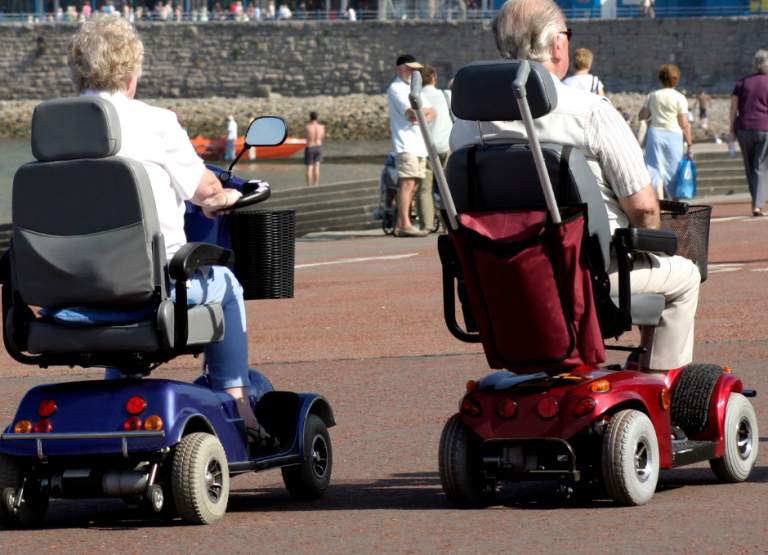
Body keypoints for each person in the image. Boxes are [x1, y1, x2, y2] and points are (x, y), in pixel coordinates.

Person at [451, 0, 700, 383]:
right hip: (589, 273)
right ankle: (659, 389)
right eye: (566, 35)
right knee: (683, 274)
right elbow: (645, 210)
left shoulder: (466, 127)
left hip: (500, 276)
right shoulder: (590, 112)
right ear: (556, 46)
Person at [66, 14, 269, 443]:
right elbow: (206, 192)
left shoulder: (53, 131)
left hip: (70, 293)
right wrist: (227, 199)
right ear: (130, 75)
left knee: (115, 285)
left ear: (78, 74)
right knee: (227, 284)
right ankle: (237, 403)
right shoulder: (155, 122)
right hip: (152, 291)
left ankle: (113, 400)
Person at [386, 54, 435, 237]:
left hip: (418, 143)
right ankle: (405, 224)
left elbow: (431, 113)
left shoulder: (413, 88)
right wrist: (421, 115)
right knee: (407, 184)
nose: (414, 72)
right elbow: (413, 111)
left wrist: (421, 116)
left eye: (416, 69)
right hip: (405, 143)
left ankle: (400, 225)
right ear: (400, 69)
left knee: (413, 185)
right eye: (410, 69)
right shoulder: (396, 88)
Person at [638, 64, 693, 199]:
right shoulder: (680, 98)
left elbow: (642, 116)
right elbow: (684, 125)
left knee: (655, 168)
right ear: (676, 80)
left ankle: (660, 202)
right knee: (673, 169)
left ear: (660, 79)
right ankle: (675, 202)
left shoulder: (652, 96)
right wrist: (690, 144)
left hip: (654, 133)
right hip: (674, 135)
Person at [729, 50, 768, 217]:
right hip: (764, 127)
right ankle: (757, 204)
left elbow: (733, 108)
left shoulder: (741, 83)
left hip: (743, 127)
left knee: (749, 166)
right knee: (761, 165)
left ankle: (757, 200)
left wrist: (730, 130)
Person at [418, 64, 453, 233]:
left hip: (424, 148)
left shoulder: (416, 98)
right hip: (445, 146)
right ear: (434, 79)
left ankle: (426, 225)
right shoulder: (446, 95)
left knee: (425, 189)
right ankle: (448, 226)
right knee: (447, 188)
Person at [303, 111, 325, 187]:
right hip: (318, 147)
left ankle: (309, 185)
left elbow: (305, 136)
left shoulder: (307, 127)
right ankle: (316, 184)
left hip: (310, 146)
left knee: (309, 168)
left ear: (310, 118)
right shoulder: (321, 127)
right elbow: (322, 137)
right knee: (317, 168)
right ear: (317, 118)